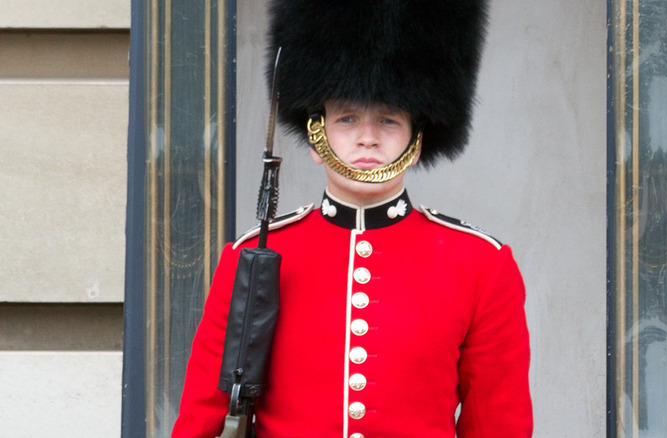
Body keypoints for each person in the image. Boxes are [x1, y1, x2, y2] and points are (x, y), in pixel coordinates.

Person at [173, 1, 532, 437]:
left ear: (415, 143)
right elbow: (201, 422)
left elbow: (498, 426)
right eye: (346, 118)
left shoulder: (481, 266)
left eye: (388, 119)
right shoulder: (253, 257)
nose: (367, 137)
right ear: (315, 137)